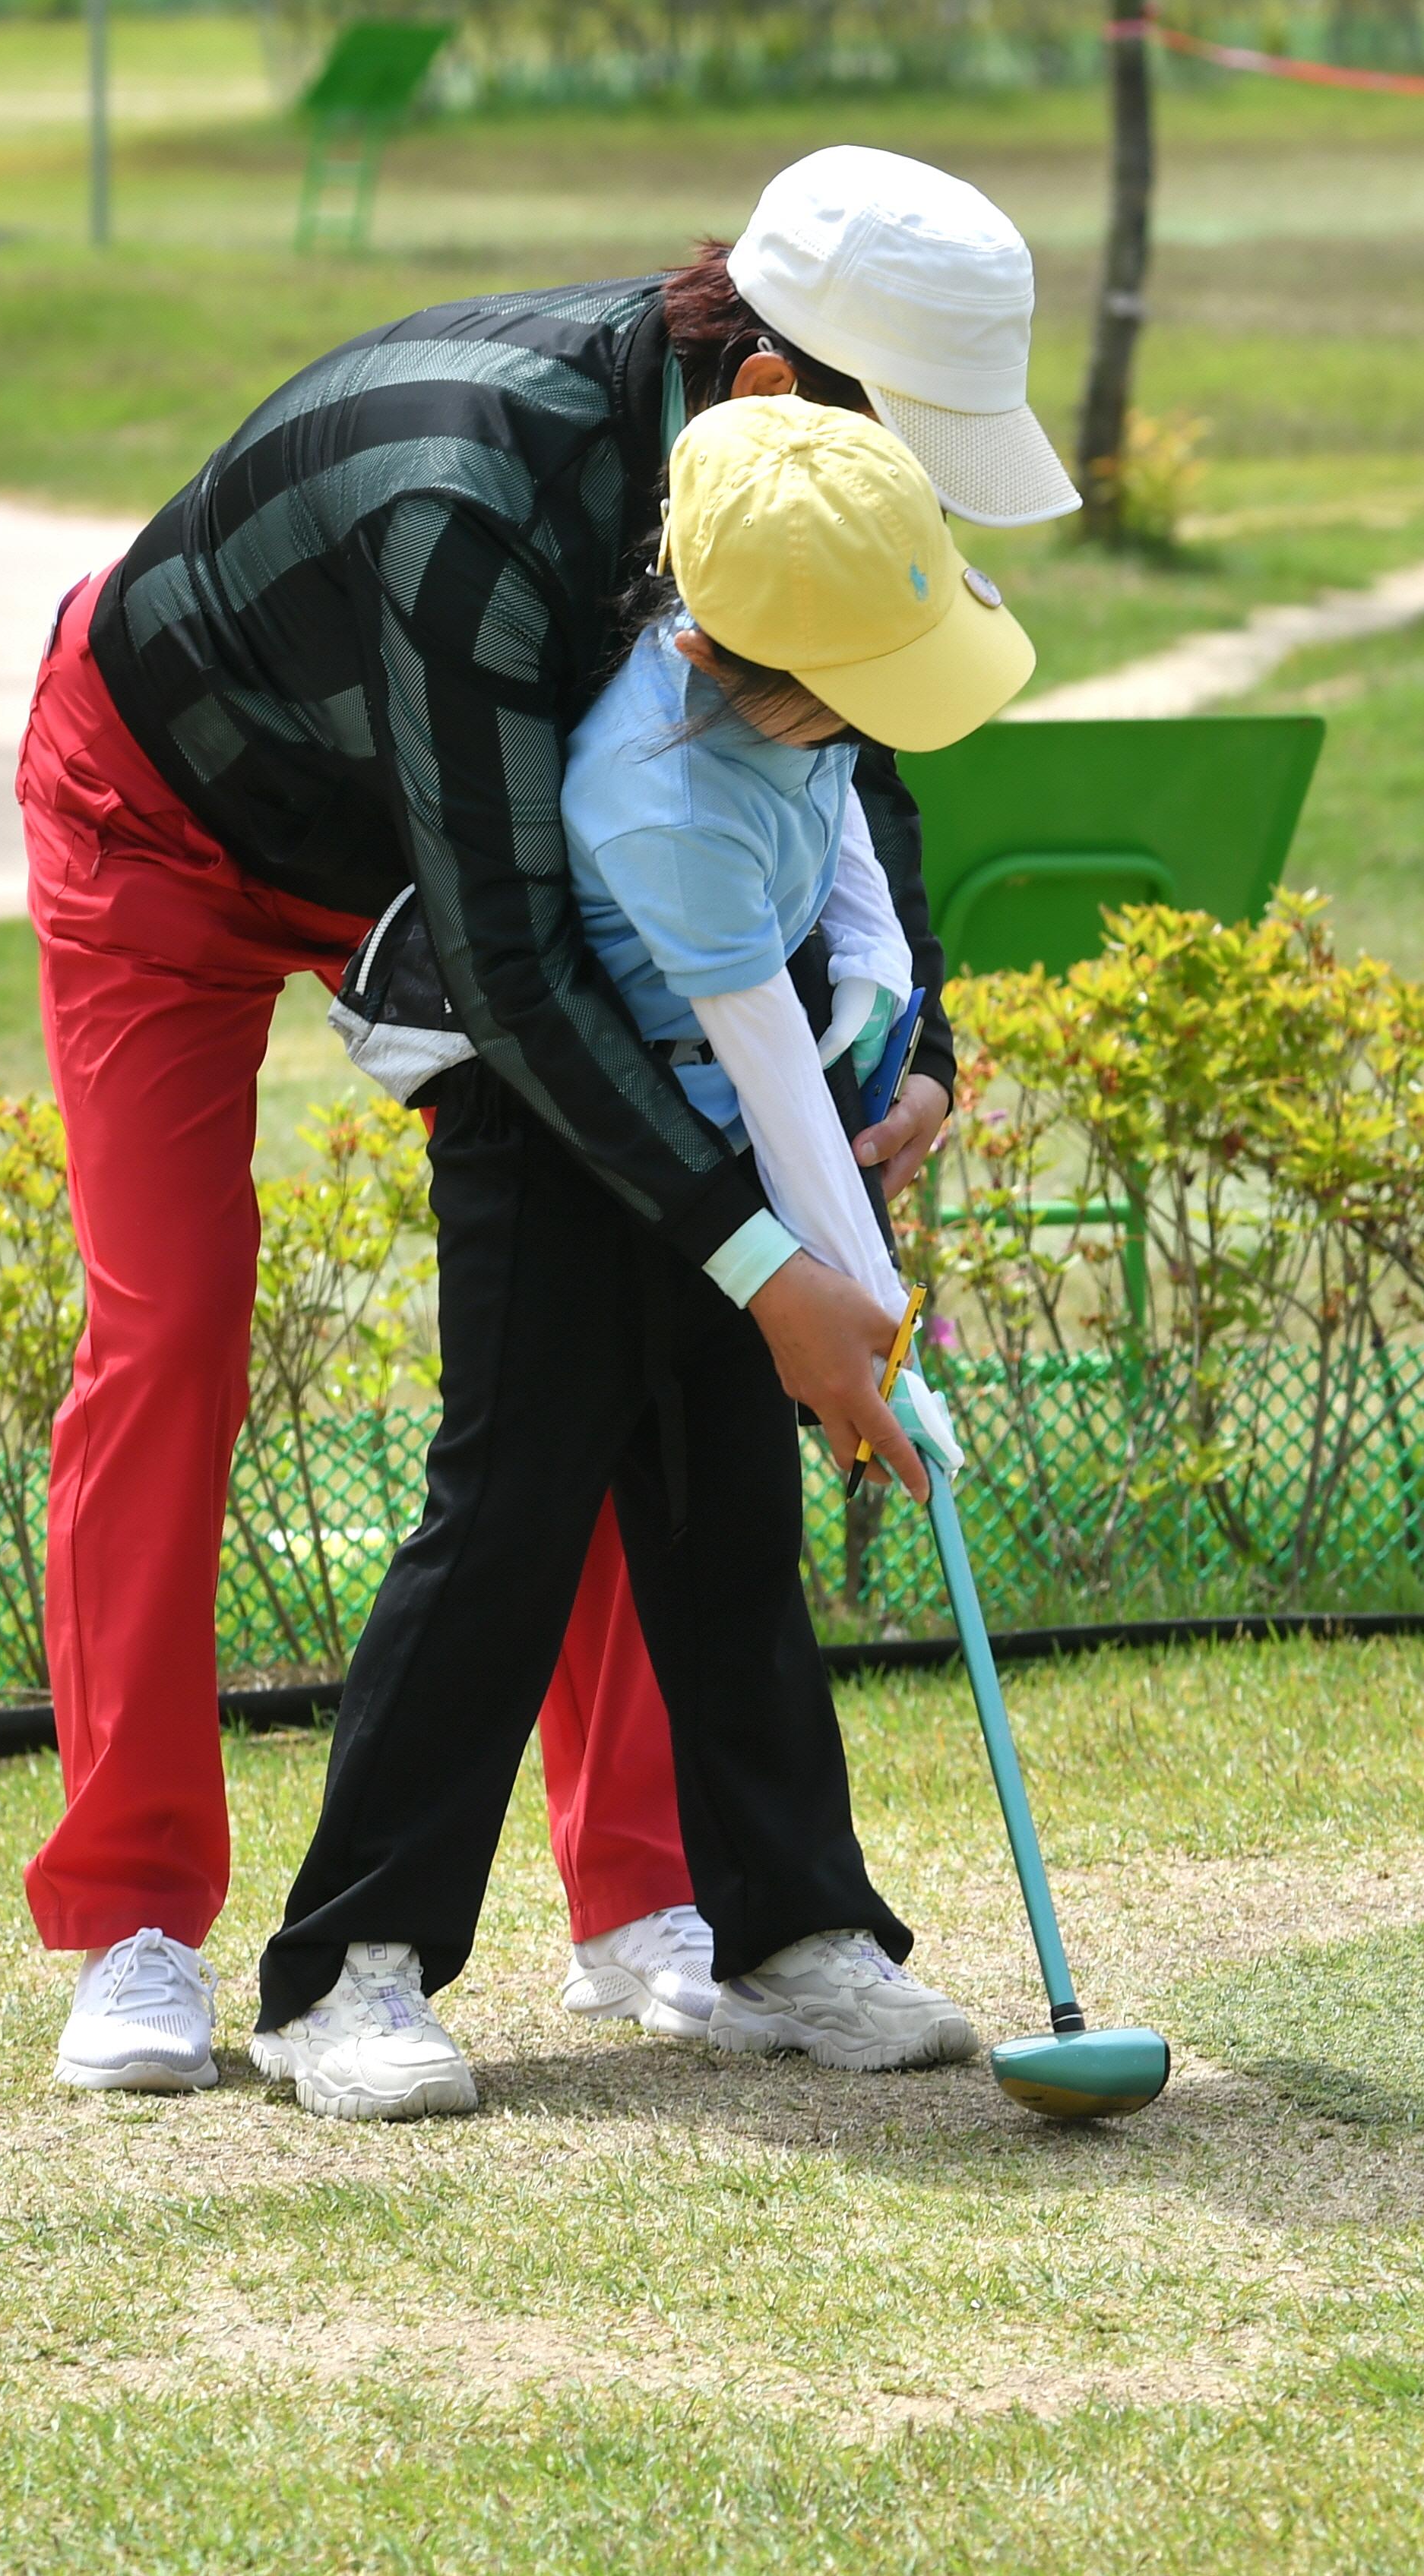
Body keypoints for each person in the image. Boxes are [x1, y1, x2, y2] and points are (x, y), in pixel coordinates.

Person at [27, 145, 1078, 2097]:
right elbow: (509, 955)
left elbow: (866, 724)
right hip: (172, 807)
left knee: (630, 1339)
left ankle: (671, 1905)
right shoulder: (482, 495)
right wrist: (773, 1256)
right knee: (174, 1329)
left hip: (482, 844)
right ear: (772, 389)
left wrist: (916, 1023)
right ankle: (141, 1920)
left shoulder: (785, 513)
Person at [247, 394, 1024, 2122]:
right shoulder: (657, 792)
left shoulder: (799, 708)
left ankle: (793, 1926)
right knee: (510, 1525)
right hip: (570, 1140)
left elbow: (855, 877)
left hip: (730, 1134)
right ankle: (342, 1969)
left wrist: (906, 1042)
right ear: (764, 661)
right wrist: (856, 1310)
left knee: (727, 1525)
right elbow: (758, 1067)